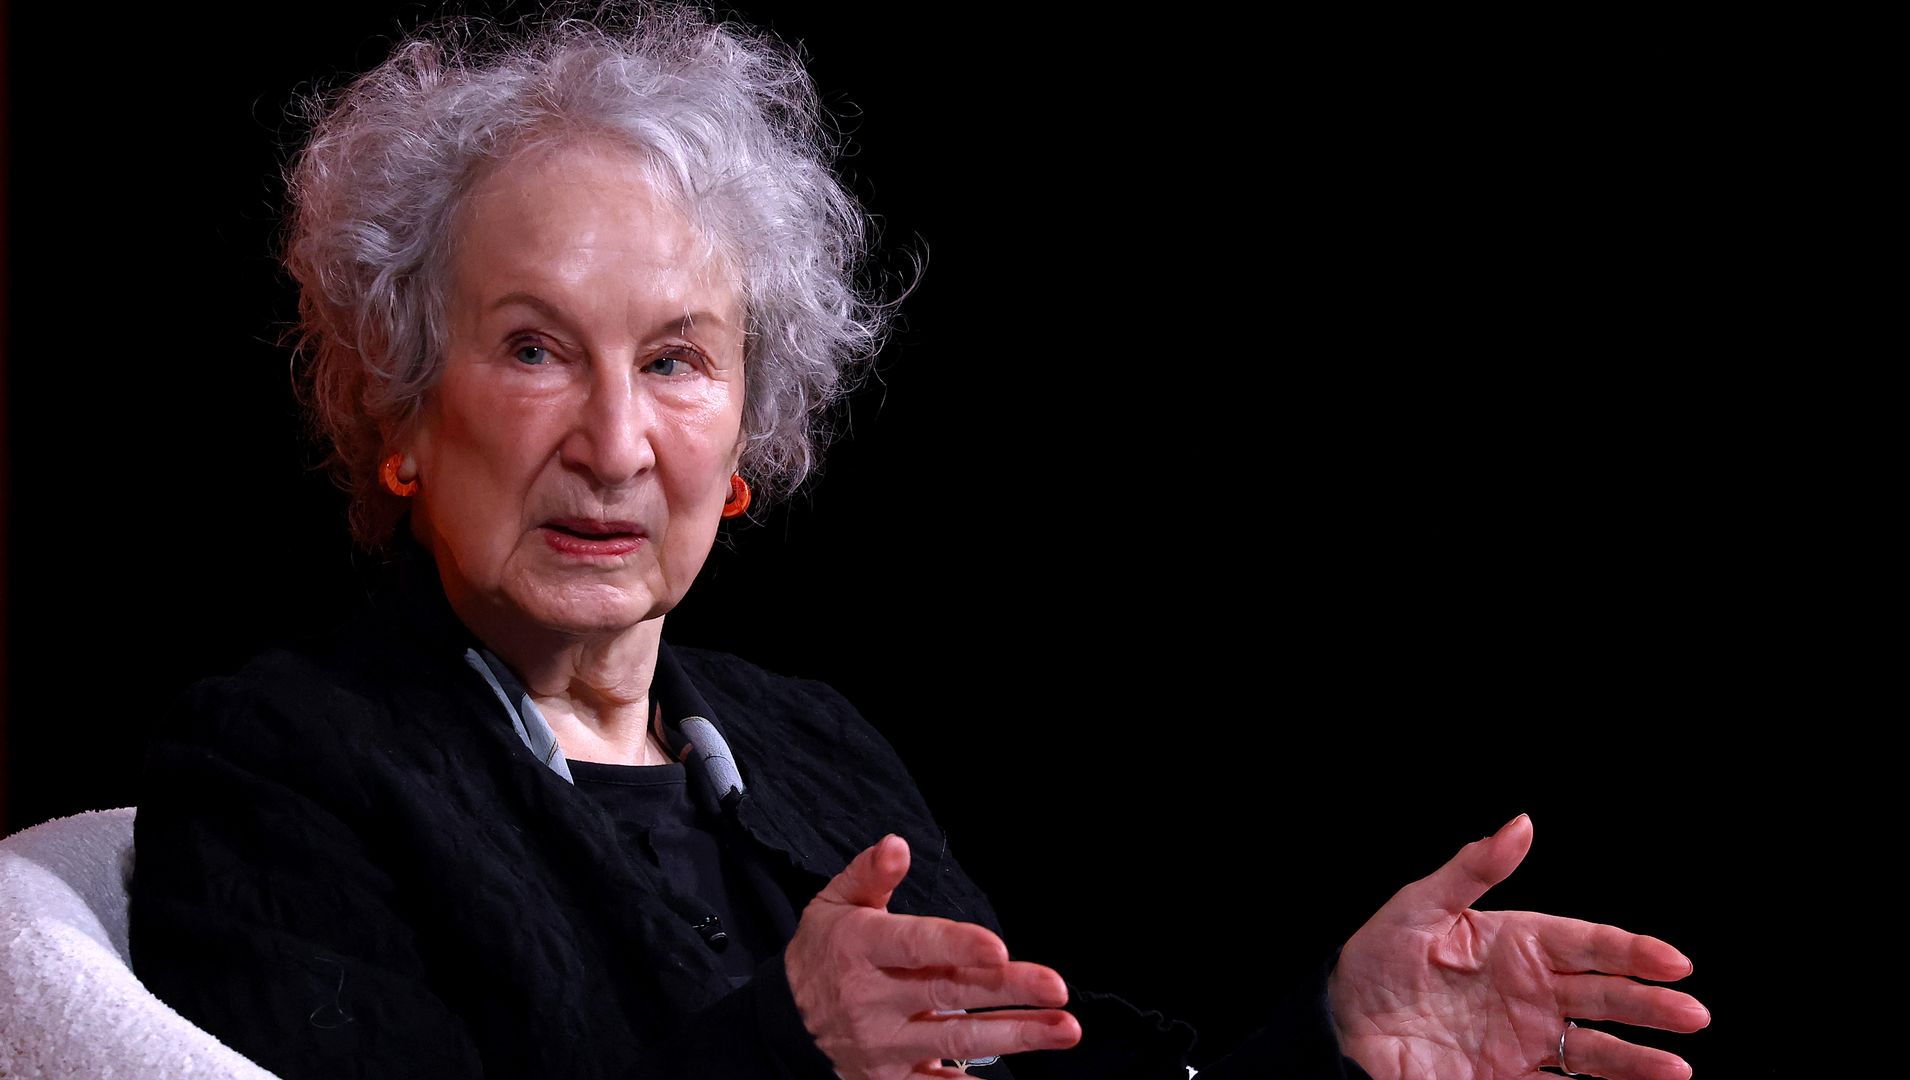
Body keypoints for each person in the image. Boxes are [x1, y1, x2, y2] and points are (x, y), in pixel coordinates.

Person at [128, 5, 1709, 1078]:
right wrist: (783, 1054)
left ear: (745, 443)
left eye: (677, 361)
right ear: (401, 411)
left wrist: (1334, 1042)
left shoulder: (813, 747)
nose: (613, 443)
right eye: (534, 349)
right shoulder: (273, 769)